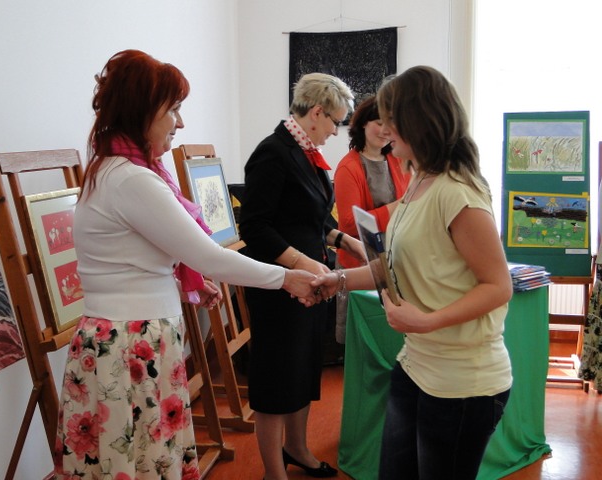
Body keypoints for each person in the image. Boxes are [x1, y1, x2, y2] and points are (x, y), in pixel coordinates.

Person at [52, 49, 319, 480]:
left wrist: (181, 283)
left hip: (127, 338)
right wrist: (287, 278)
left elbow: (129, 260)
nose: (180, 122)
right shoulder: (133, 178)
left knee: (133, 458)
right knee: (139, 461)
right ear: (142, 111)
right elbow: (209, 256)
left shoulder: (116, 170)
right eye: (173, 109)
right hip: (128, 344)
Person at [313, 66, 513, 479]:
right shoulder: (419, 181)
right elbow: (394, 265)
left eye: (391, 118)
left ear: (420, 121)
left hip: (461, 383)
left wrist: (427, 321)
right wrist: (339, 281)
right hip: (416, 365)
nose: (385, 128)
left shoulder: (457, 192)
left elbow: (498, 286)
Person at [238, 72, 365, 480]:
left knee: (303, 370)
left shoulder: (306, 152)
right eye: (335, 122)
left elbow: (309, 218)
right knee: (277, 379)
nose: (335, 131)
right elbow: (254, 227)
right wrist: (302, 263)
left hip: (310, 281)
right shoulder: (273, 153)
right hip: (279, 286)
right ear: (316, 113)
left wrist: (345, 240)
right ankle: (274, 472)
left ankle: (297, 448)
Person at [333, 95, 411, 343]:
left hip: (395, 260)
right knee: (363, 338)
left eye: (391, 124)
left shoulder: (398, 159)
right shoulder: (348, 167)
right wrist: (396, 208)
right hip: (360, 262)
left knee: (391, 336)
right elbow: (349, 223)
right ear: (363, 124)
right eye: (379, 123)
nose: (386, 130)